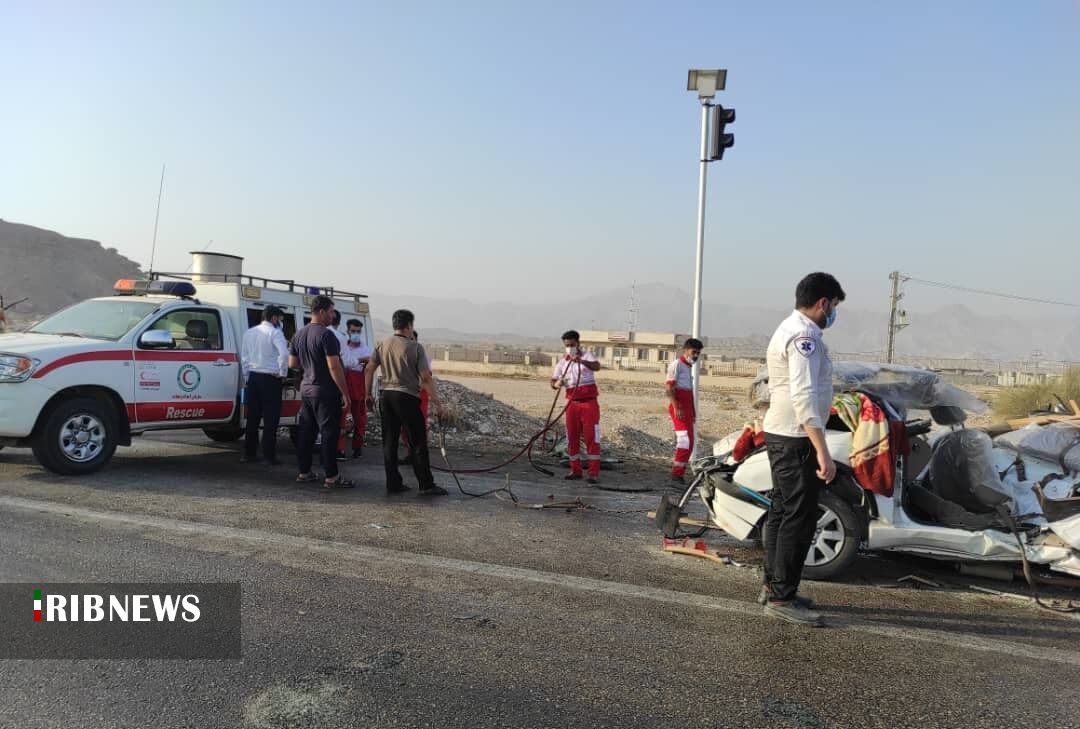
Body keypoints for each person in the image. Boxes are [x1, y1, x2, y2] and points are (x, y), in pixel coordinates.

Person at [760, 272, 845, 627]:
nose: (833, 314)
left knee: (782, 512)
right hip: (796, 438)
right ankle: (782, 597)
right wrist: (822, 451)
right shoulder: (804, 336)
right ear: (823, 303)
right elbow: (804, 396)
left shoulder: (790, 328)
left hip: (782, 433)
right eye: (834, 306)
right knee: (799, 517)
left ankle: (775, 585)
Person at [364, 309, 447, 496]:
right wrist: (437, 403)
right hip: (407, 397)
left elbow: (369, 369)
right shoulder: (415, 347)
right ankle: (426, 484)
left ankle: (393, 483)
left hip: (386, 396)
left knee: (389, 441)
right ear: (409, 325)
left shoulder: (382, 344)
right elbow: (425, 377)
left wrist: (367, 394)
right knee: (418, 442)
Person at [288, 295, 355, 488]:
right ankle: (332, 477)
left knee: (306, 433)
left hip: (307, 390)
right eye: (331, 312)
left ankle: (304, 472)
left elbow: (293, 364)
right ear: (322, 311)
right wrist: (345, 393)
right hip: (325, 392)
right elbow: (334, 366)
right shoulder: (327, 335)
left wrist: (309, 367)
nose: (333, 316)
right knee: (329, 434)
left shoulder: (299, 334)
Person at [551, 330, 602, 484]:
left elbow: (597, 366)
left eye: (572, 345)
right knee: (572, 437)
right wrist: (558, 383)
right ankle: (575, 470)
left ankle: (593, 473)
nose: (569, 348)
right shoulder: (562, 362)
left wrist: (581, 361)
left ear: (578, 343)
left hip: (589, 404)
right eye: (567, 345)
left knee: (591, 438)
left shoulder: (587, 356)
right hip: (572, 404)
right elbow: (553, 382)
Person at [240, 305, 289, 464]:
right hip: (270, 379)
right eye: (280, 319)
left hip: (253, 377)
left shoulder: (249, 332)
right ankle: (268, 456)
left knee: (252, 418)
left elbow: (245, 357)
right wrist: (282, 373)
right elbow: (284, 354)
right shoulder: (275, 333)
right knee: (270, 419)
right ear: (274, 318)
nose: (280, 322)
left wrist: (247, 377)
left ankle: (249, 453)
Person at [666, 337, 704, 483]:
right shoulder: (676, 365)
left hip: (687, 409)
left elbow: (689, 393)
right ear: (685, 350)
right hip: (679, 408)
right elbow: (669, 388)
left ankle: (680, 473)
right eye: (694, 352)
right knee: (684, 441)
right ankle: (675, 475)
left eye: (698, 353)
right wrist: (677, 407)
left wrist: (693, 412)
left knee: (691, 442)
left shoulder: (688, 367)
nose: (696, 355)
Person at [337, 318, 372, 460]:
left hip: (359, 388)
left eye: (358, 331)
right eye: (353, 331)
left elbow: (369, 369)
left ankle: (357, 447)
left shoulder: (365, 349)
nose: (356, 334)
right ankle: (340, 449)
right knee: (341, 419)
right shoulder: (342, 346)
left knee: (360, 419)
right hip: (344, 386)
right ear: (348, 331)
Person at [400, 329, 431, 465]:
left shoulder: (423, 357)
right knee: (405, 426)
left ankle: (419, 455)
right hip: (404, 393)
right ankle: (411, 453)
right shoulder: (401, 356)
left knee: (418, 425)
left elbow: (425, 378)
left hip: (419, 394)